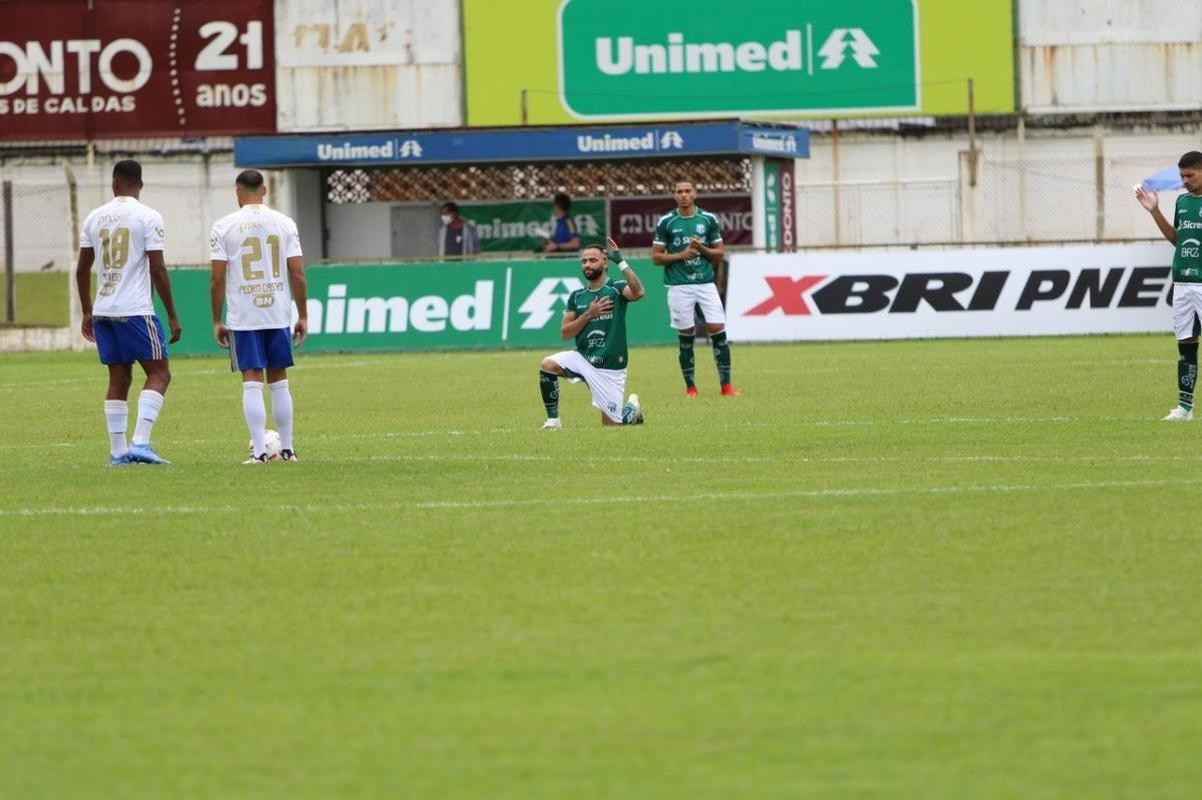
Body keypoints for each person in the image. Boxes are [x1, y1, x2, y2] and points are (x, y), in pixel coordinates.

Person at [75, 159, 182, 465]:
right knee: (160, 373)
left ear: (114, 181)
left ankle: (118, 452)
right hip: (135, 309)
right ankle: (141, 443)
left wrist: (87, 311)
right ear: (140, 183)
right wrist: (172, 313)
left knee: (118, 378)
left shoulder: (94, 218)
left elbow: (82, 269)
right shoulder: (148, 216)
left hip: (104, 310)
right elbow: (157, 267)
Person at [209, 169, 308, 463]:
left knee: (251, 378)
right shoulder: (285, 223)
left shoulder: (224, 226)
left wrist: (217, 319)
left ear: (237, 193)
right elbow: (298, 273)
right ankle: (288, 449)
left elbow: (217, 278)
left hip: (244, 314)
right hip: (277, 311)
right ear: (264, 191)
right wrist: (301, 314)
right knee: (279, 379)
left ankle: (261, 452)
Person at [538, 237, 646, 429]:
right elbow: (565, 333)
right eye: (584, 261)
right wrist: (589, 314)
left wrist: (620, 260)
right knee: (547, 365)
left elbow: (638, 292)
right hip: (583, 359)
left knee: (611, 427)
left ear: (605, 262)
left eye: (592, 260)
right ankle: (553, 422)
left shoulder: (616, 288)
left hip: (610, 368)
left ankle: (631, 409)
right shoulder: (577, 296)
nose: (587, 264)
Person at [651, 179, 739, 397]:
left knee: (718, 329)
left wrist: (702, 248)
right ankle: (691, 387)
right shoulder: (666, 222)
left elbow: (720, 253)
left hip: (705, 284)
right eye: (679, 191)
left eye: (687, 191)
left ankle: (726, 385)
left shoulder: (708, 219)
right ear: (674, 195)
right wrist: (682, 254)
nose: (683, 195)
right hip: (679, 286)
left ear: (695, 194)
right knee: (686, 334)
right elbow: (656, 257)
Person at [1137, 150, 1202, 421]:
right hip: (1183, 283)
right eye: (1182, 176)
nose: (1185, 180)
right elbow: (1178, 238)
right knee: (1186, 343)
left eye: (1191, 175)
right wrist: (1155, 212)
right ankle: (1184, 409)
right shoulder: (1183, 202)